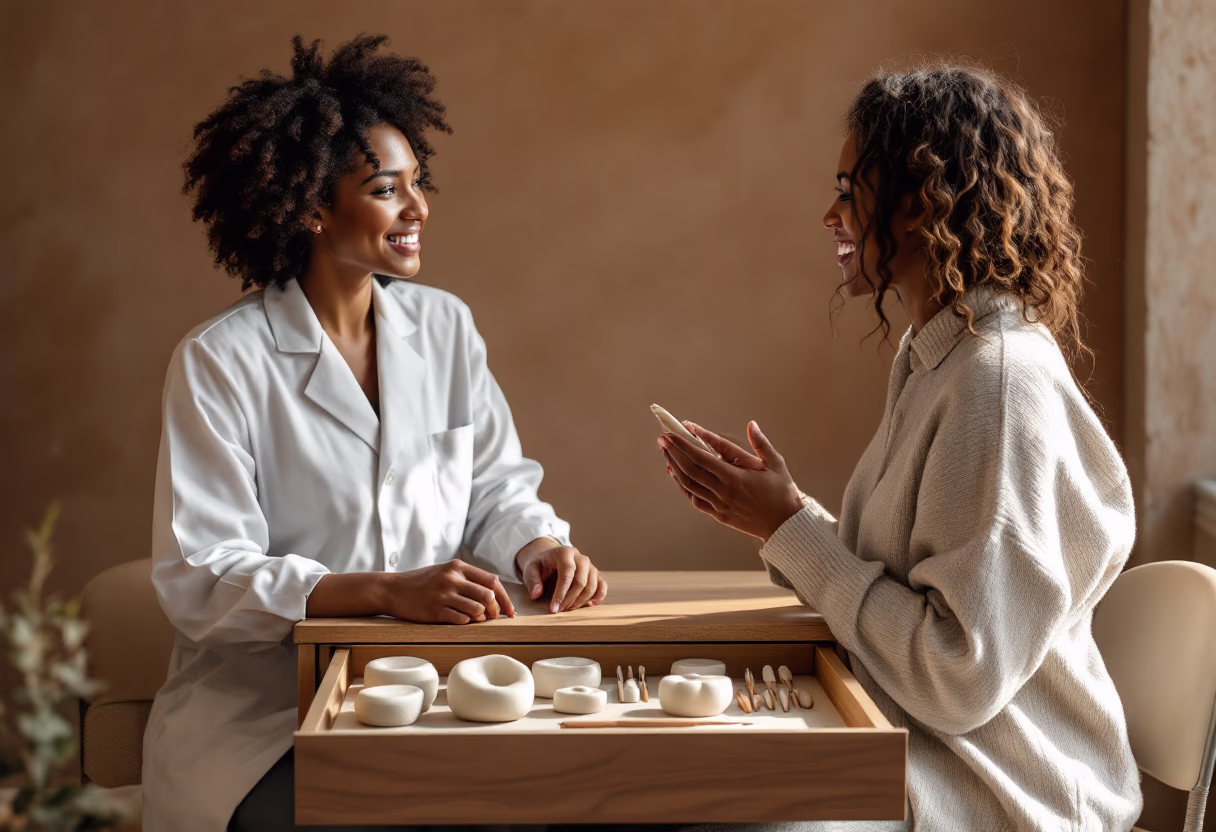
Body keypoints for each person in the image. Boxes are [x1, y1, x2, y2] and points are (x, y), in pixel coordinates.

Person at [142, 34, 607, 832]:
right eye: (388, 189)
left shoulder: (447, 328)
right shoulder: (219, 363)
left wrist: (538, 547)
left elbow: (494, 487)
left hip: (426, 699)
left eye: (417, 185)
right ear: (312, 209)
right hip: (263, 729)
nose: (419, 209)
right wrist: (384, 591)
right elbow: (202, 574)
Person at [659, 65, 1141, 831]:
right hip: (915, 751)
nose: (830, 214)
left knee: (714, 806)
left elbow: (957, 677)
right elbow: (895, 590)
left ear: (918, 204)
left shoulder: (999, 383)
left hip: (1000, 794)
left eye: (849, 190)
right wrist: (779, 515)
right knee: (675, 780)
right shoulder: (936, 358)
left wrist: (791, 528)